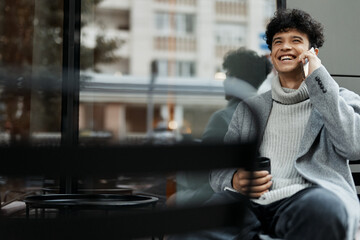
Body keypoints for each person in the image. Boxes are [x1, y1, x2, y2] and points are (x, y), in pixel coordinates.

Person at [207, 8, 360, 240]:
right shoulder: (250, 109)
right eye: (278, 42)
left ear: (313, 53)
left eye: (296, 40)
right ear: (271, 55)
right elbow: (218, 169)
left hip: (308, 197)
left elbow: (353, 146)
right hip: (250, 204)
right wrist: (234, 179)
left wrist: (319, 79)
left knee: (325, 210)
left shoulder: (341, 100)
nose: (285, 47)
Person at [202, 47, 272, 143]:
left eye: (227, 76)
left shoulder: (222, 118)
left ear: (234, 80)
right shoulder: (270, 114)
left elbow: (206, 157)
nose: (224, 82)